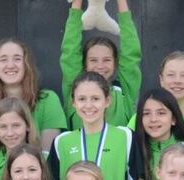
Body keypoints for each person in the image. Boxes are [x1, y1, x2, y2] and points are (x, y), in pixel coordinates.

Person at [48, 72, 133, 180]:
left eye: (95, 99)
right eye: (82, 99)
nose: (88, 105)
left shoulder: (125, 137)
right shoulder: (61, 142)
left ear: (107, 101)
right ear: (73, 103)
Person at [0, 38, 66, 165]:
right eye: (3, 59)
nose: (10, 65)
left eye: (17, 59)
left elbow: (48, 160)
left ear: (27, 64)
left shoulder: (48, 101)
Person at [60, 0, 140, 128]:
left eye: (107, 60)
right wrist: (77, 2)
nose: (100, 66)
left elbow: (131, 53)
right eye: (93, 60)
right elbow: (70, 50)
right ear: (84, 64)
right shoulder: (74, 89)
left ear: (115, 63)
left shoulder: (124, 92)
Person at [0, 97, 41, 180]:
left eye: (16, 125)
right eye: (3, 127)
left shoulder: (43, 158)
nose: (10, 133)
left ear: (28, 126)